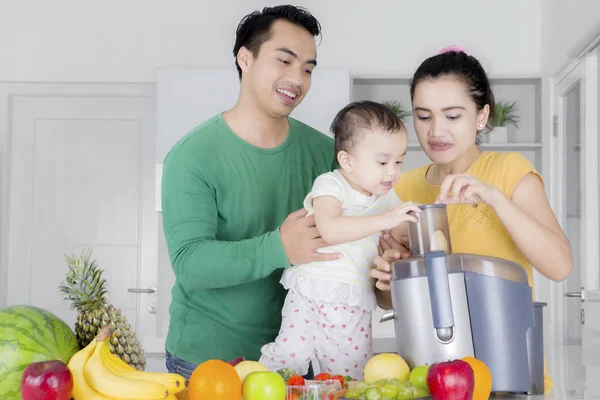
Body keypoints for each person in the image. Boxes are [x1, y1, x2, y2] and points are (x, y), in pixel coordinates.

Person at [371, 46, 573, 395]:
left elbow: (559, 266)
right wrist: (389, 277)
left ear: (481, 117)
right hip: (428, 378)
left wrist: (494, 198)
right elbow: (388, 301)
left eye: (452, 116)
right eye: (423, 116)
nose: (436, 130)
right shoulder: (401, 187)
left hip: (508, 379)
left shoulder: (510, 173)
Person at [160, 5, 340, 379]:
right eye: (285, 61)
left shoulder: (326, 153)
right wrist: (279, 246)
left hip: (300, 359)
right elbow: (190, 262)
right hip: (210, 360)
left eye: (307, 69)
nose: (298, 79)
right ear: (246, 58)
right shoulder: (192, 155)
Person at [258, 101, 421, 379]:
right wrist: (388, 219)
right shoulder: (331, 184)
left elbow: (401, 236)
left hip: (353, 301)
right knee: (288, 359)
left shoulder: (388, 200)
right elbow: (330, 229)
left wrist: (414, 229)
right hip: (310, 293)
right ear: (347, 161)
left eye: (399, 161)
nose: (393, 172)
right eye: (382, 162)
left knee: (350, 376)